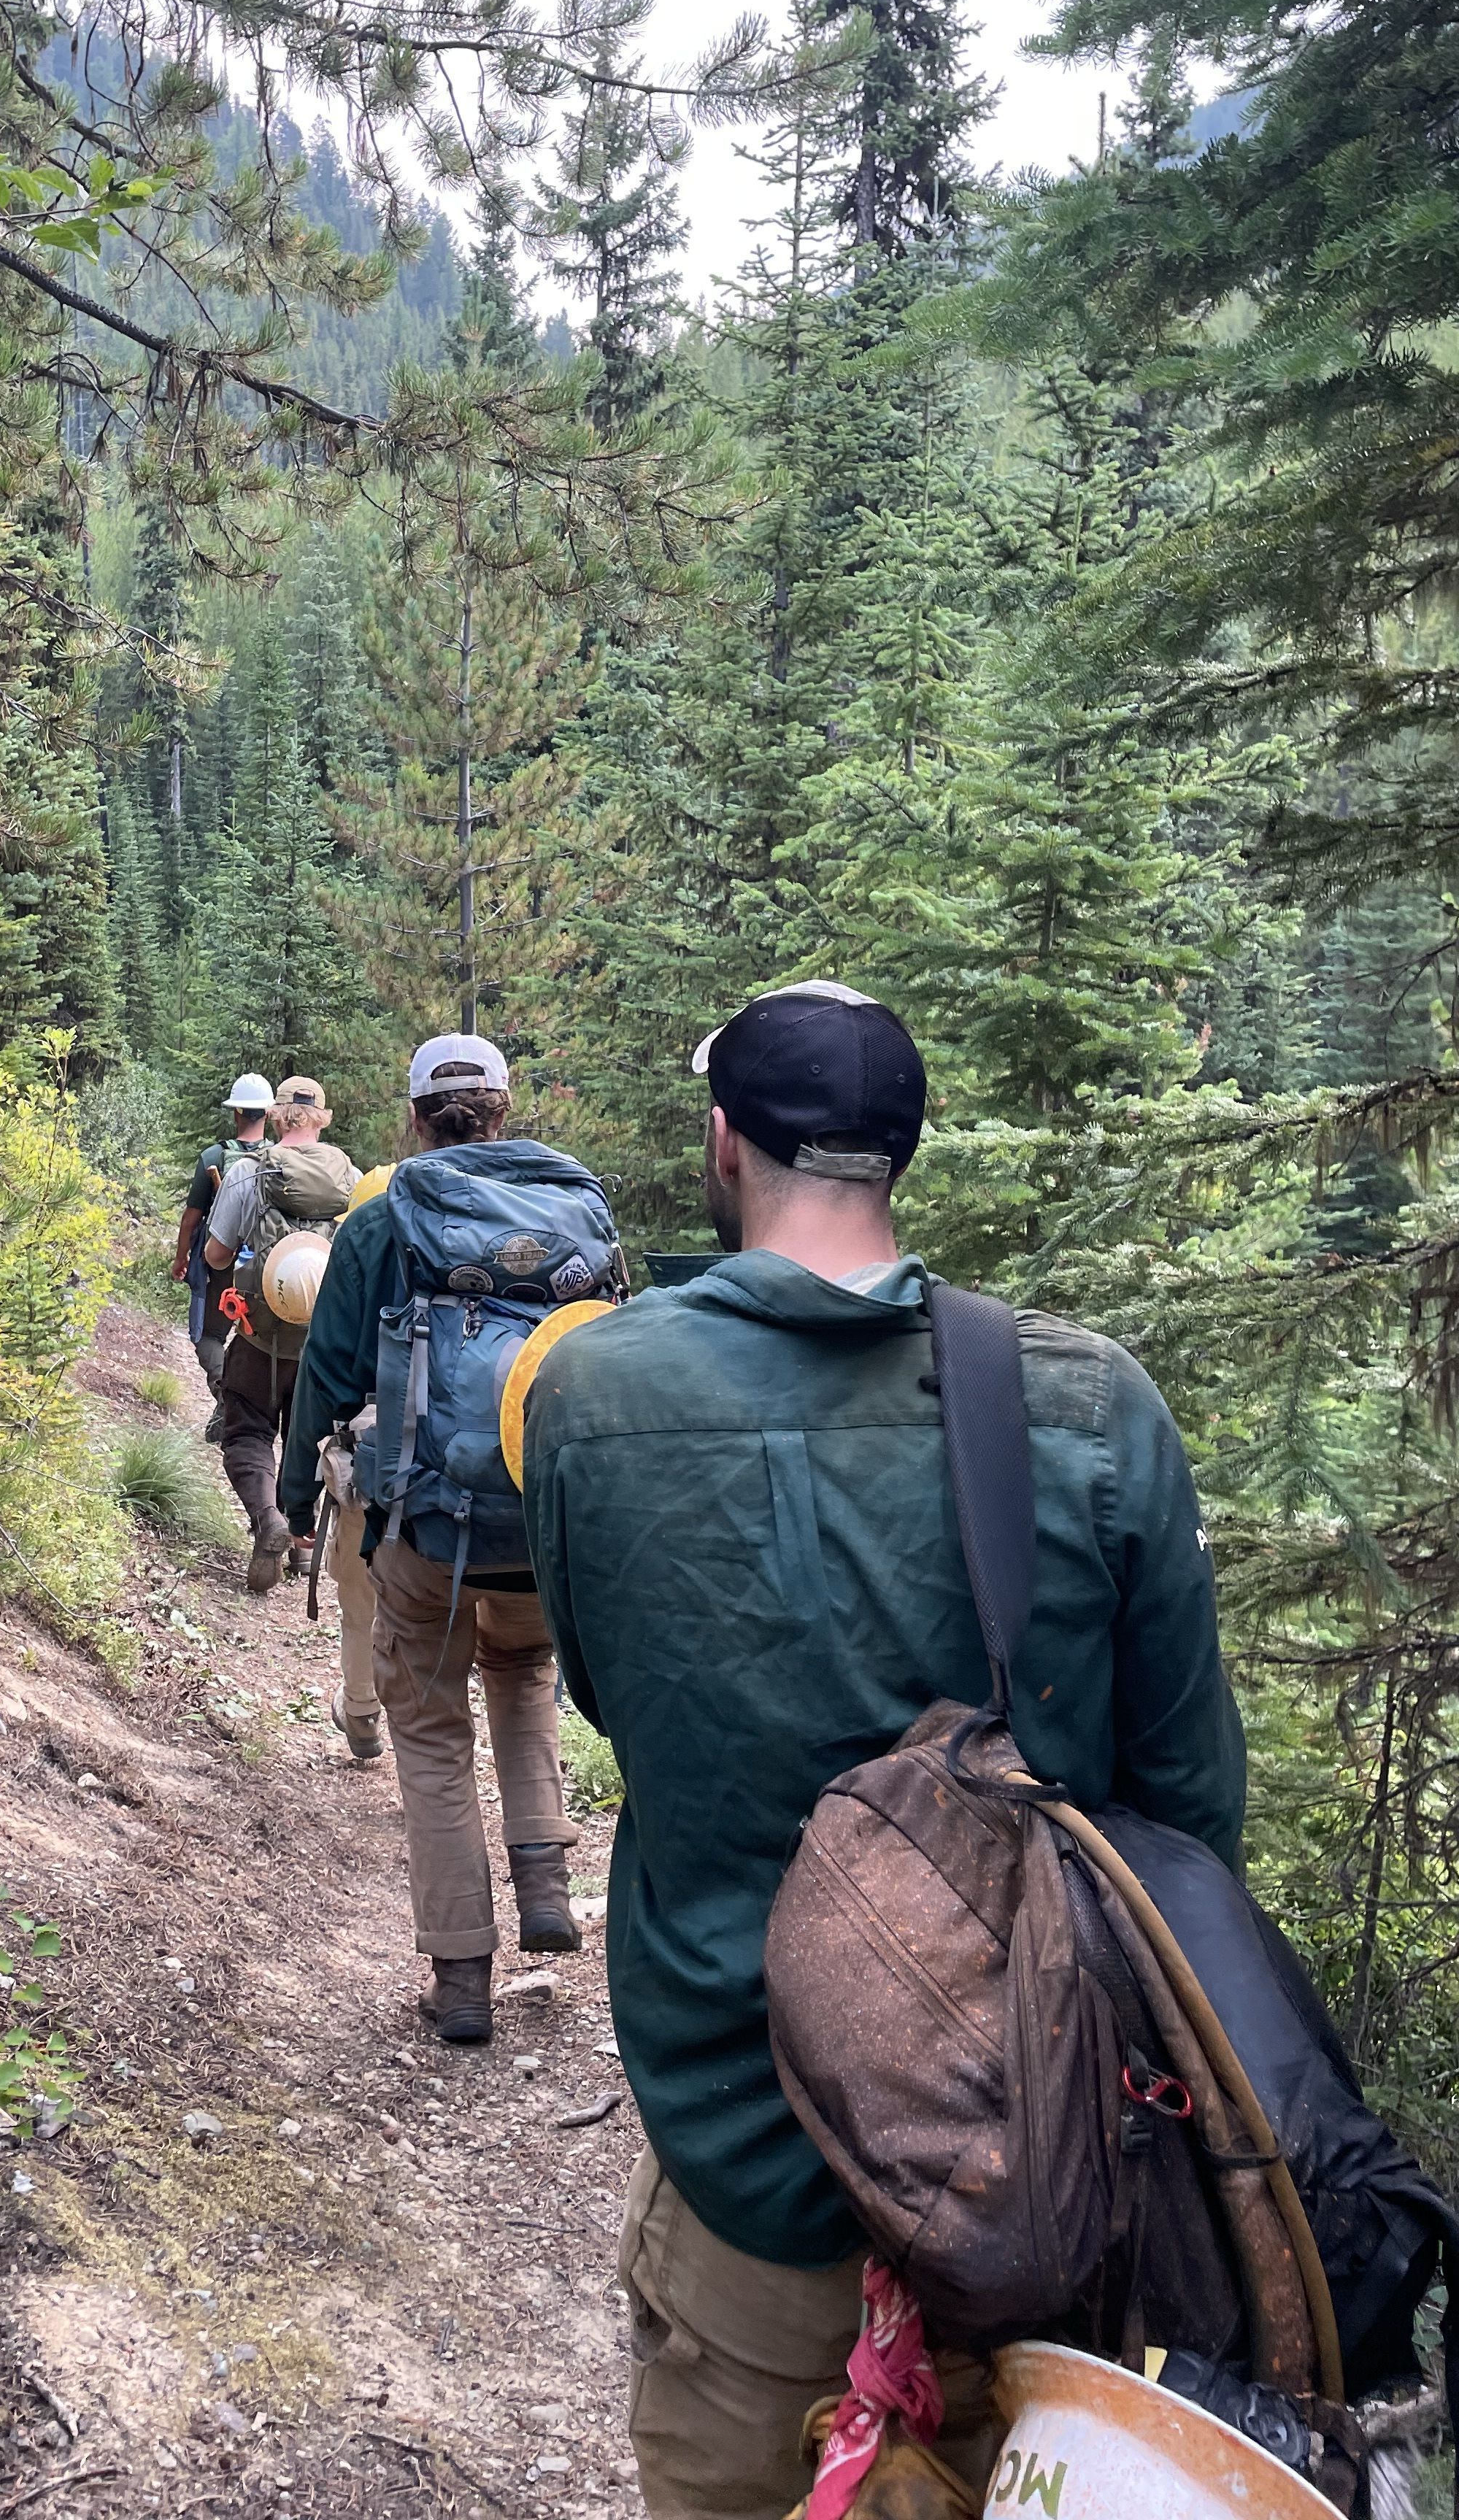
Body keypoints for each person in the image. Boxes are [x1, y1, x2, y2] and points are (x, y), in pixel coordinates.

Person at [520, 981, 1247, 2520]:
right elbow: (1190, 1826)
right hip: (1050, 2222)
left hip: (755, 2192)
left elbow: (603, 1696)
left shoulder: (594, 1392)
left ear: (725, 1144)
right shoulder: (1090, 1400)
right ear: (901, 1157)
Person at [283, 1035, 612, 2047]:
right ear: (504, 1109)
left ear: (418, 1118)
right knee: (521, 1672)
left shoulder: (387, 1219)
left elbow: (331, 1377)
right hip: (546, 1520)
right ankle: (546, 1883)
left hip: (425, 1523)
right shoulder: (579, 1210)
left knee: (429, 1727)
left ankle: (463, 1976)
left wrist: (299, 1494)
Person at [203, 1075, 356, 1593]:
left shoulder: (249, 1173)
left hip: (259, 1334)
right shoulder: (350, 1179)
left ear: (273, 1115)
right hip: (324, 1346)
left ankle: (267, 1518)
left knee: (247, 1433)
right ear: (321, 1119)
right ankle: (301, 1541)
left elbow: (216, 1256)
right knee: (309, 1441)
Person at [173, 1074, 272, 1436]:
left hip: (220, 1264)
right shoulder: (278, 1160)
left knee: (208, 1337)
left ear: (236, 1114)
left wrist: (181, 1259)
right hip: (262, 1267)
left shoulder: (214, 1156)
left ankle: (226, 1400)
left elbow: (191, 1219)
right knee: (250, 1338)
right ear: (267, 1114)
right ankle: (236, 1410)